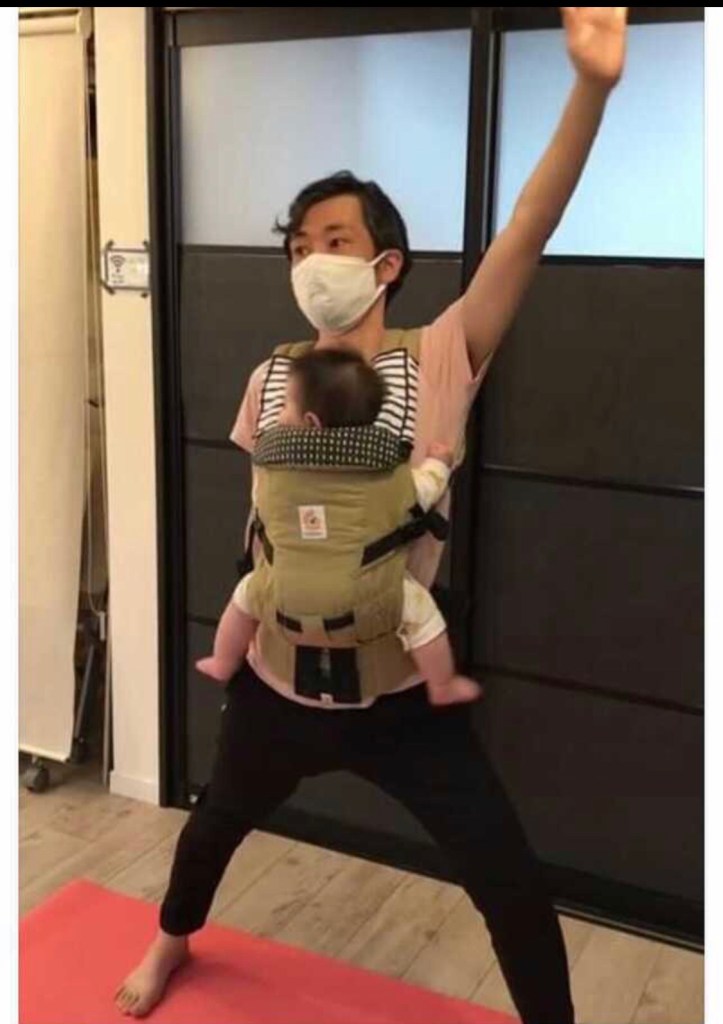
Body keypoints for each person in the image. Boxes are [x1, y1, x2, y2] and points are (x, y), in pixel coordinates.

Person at [115, 9, 627, 1021]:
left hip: (400, 699)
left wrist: (590, 89)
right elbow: (266, 523)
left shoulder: (439, 356)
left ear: (385, 263)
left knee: (509, 881)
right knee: (212, 824)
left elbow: (527, 228)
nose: (310, 258)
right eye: (298, 245)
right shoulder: (270, 376)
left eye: (334, 240)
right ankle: (170, 940)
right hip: (276, 681)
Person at [196, 347, 482, 707]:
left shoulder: (272, 476)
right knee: (423, 616)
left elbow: (261, 509)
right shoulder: (389, 478)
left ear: (311, 423)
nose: (280, 414)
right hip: (367, 608)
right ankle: (442, 684)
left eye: (285, 405)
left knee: (243, 598)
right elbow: (426, 491)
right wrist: (438, 463)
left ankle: (223, 660)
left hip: (283, 602)